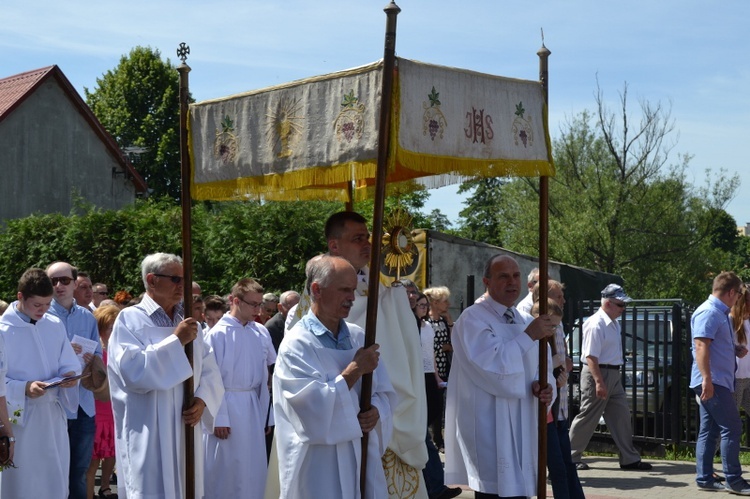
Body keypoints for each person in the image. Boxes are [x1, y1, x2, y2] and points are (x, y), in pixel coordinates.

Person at [284, 211, 429, 499]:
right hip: (324, 443)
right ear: (334, 245)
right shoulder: (306, 316)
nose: (367, 245)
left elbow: (398, 368)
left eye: (368, 238)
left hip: (377, 428)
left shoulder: (386, 293)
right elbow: (307, 395)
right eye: (358, 238)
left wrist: (380, 409)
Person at [274, 255, 397, 499]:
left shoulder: (359, 336)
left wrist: (377, 411)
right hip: (318, 466)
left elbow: (384, 393)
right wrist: (354, 370)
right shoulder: (296, 344)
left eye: (353, 290)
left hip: (361, 456)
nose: (352, 297)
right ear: (317, 290)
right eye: (344, 290)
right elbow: (311, 410)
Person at [107, 252, 225, 498]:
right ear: (151, 280)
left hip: (185, 425)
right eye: (174, 279)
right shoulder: (130, 319)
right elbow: (133, 372)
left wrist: (203, 400)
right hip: (148, 425)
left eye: (183, 278)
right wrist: (176, 341)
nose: (182, 285)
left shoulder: (189, 319)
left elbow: (210, 367)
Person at [445, 254, 556, 499]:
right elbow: (492, 368)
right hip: (489, 425)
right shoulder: (473, 319)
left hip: (525, 422)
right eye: (503, 276)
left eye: (516, 275)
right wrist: (528, 337)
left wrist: (545, 388)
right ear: (487, 281)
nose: (512, 282)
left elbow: (543, 366)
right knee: (494, 492)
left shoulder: (526, 321)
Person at [0, 268, 80, 499]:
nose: (43, 311)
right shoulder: (3, 330)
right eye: (37, 305)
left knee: (54, 479)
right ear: (20, 297)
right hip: (20, 420)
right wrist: (24, 387)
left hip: (52, 418)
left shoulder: (54, 324)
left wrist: (68, 376)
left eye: (47, 304)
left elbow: (68, 362)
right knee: (24, 483)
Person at [203, 278, 276, 499]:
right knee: (227, 471)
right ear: (235, 300)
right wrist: (218, 417)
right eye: (253, 304)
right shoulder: (217, 334)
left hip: (253, 407)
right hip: (227, 407)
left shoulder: (260, 332)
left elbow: (268, 375)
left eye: (259, 304)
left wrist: (266, 415)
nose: (258, 310)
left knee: (252, 470)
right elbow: (209, 378)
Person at [569, 284, 652, 471]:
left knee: (621, 416)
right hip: (599, 373)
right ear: (607, 303)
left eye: (624, 305)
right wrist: (599, 381)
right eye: (620, 305)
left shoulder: (612, 322)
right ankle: (571, 457)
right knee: (588, 416)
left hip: (612, 373)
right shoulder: (595, 323)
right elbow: (590, 356)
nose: (623, 309)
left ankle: (629, 459)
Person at [46, 261, 104, 499]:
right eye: (53, 281)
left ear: (74, 283)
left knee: (79, 472)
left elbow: (99, 353)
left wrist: (92, 358)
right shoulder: (41, 315)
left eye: (65, 280)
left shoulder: (88, 317)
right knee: (53, 471)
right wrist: (64, 351)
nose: (59, 286)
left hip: (83, 404)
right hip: (54, 403)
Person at [691, 272, 750, 493]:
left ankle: (705, 479)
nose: (738, 301)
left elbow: (712, 344)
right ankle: (734, 481)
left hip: (716, 380)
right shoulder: (709, 312)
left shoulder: (719, 313)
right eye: (738, 295)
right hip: (713, 381)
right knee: (733, 427)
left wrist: (734, 349)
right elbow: (700, 346)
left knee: (711, 430)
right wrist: (707, 379)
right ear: (731, 292)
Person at [531, 293, 584, 499]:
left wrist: (558, 380)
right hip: (539, 415)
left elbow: (551, 375)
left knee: (562, 466)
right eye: (551, 325)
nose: (553, 330)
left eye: (556, 327)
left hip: (551, 414)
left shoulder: (547, 343)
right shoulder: (532, 344)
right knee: (555, 468)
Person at [412, 292, 461, 499]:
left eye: (424, 304)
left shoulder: (427, 327)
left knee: (425, 431)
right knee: (423, 436)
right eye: (419, 304)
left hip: (429, 378)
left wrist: (436, 375)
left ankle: (434, 484)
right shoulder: (411, 326)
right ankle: (435, 485)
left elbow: (429, 353)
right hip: (415, 379)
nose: (422, 308)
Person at [86, 304, 121, 499]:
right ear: (100, 329)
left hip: (114, 412)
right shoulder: (95, 354)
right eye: (110, 327)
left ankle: (105, 486)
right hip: (97, 413)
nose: (114, 332)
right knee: (92, 462)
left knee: (111, 454)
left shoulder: (121, 352)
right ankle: (89, 493)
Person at [423, 286, 452, 450]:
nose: (448, 304)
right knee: (434, 404)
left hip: (444, 366)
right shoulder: (426, 323)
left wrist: (449, 322)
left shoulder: (443, 321)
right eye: (444, 301)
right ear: (434, 303)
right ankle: (436, 439)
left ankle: (439, 438)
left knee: (442, 404)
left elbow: (454, 341)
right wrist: (442, 348)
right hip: (431, 367)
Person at [732, 285, 750, 417]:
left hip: (748, 377)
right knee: (730, 420)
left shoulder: (748, 321)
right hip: (736, 378)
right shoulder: (730, 321)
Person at [265, 290, 301, 354]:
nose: (295, 312)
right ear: (280, 307)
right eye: (291, 308)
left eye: (298, 308)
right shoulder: (271, 327)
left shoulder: (303, 322)